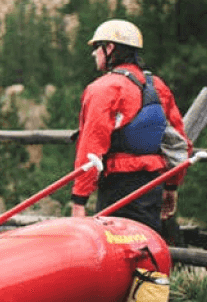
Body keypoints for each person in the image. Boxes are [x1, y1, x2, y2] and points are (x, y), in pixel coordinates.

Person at [71, 19, 189, 232]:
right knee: (146, 245)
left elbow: (91, 147)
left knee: (118, 248)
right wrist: (171, 186)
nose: (93, 53)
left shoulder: (103, 89)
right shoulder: (157, 86)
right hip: (153, 185)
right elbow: (178, 141)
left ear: (109, 48)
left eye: (97, 47)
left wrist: (79, 200)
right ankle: (151, 268)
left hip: (118, 187)